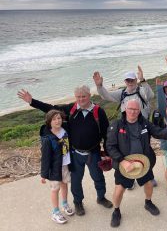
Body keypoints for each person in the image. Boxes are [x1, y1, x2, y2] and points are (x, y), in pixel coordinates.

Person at [18, 86, 112, 216]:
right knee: (75, 181)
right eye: (78, 97)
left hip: (93, 153)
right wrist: (32, 101)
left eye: (83, 96)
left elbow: (106, 134)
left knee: (98, 177)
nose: (81, 99)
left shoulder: (98, 111)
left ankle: (101, 197)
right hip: (75, 154)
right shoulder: (70, 109)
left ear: (89, 95)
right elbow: (50, 109)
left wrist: (107, 153)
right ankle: (78, 202)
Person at [106, 99, 167, 227]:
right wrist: (122, 161)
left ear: (139, 111)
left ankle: (148, 202)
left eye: (136, 109)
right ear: (125, 109)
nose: (133, 112)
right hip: (124, 165)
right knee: (119, 189)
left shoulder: (143, 123)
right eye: (130, 109)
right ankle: (116, 211)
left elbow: (158, 132)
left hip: (143, 163)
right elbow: (110, 147)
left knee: (149, 184)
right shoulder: (116, 125)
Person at [94, 66, 157, 189]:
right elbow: (106, 96)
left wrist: (143, 80)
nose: (130, 82)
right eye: (127, 80)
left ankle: (148, 174)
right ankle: (131, 176)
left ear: (135, 80)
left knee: (145, 151)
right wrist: (100, 87)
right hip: (126, 127)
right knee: (127, 151)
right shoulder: (122, 93)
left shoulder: (141, 90)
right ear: (125, 82)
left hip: (142, 126)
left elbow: (150, 95)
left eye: (132, 80)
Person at [40, 110, 74, 224]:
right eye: (54, 119)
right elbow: (45, 157)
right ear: (49, 121)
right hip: (54, 167)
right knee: (55, 189)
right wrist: (44, 175)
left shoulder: (65, 129)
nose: (57, 121)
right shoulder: (48, 138)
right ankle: (55, 212)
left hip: (66, 164)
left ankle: (65, 204)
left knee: (64, 184)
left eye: (59, 118)